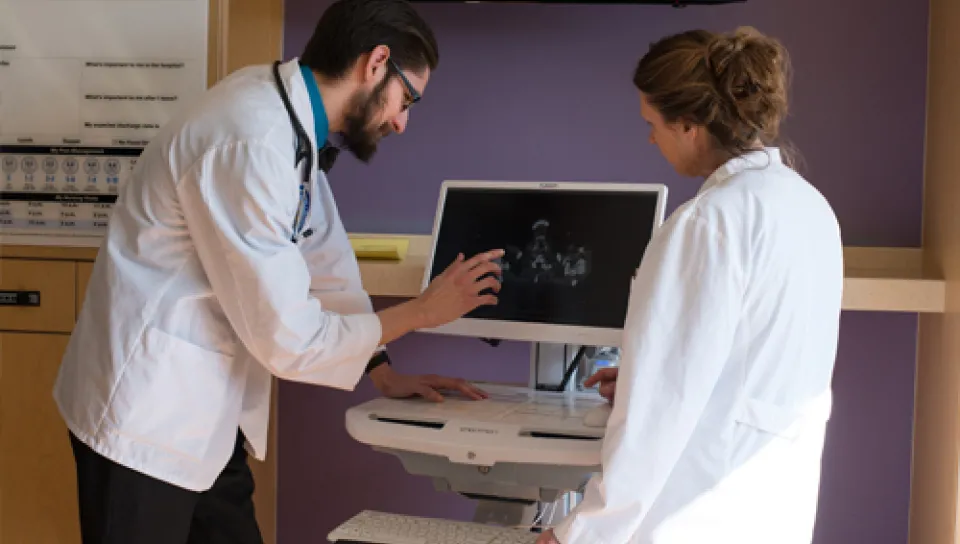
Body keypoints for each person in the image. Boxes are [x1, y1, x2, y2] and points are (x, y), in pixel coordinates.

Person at [52, 0, 504, 542]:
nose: (402, 121)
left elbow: (324, 259)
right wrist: (422, 312)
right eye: (406, 98)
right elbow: (289, 339)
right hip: (144, 419)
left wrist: (380, 368)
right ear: (376, 62)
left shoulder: (289, 119)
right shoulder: (251, 139)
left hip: (204, 420)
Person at [537, 27, 843, 544]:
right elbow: (755, 362)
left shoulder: (707, 222)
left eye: (652, 124)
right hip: (771, 505)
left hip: (693, 515)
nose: (650, 138)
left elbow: (660, 412)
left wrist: (579, 533)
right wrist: (642, 377)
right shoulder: (809, 206)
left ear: (688, 126)